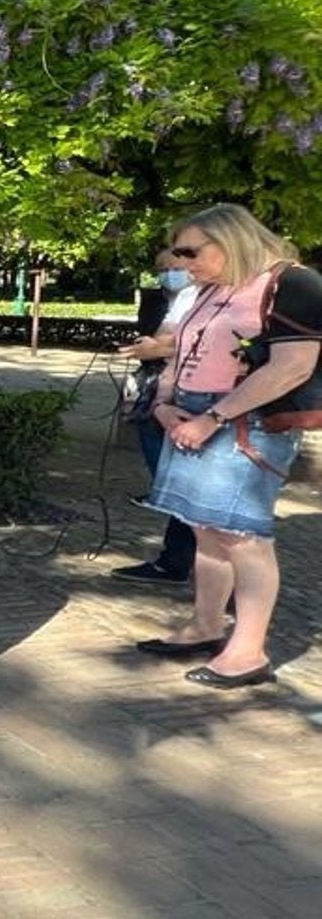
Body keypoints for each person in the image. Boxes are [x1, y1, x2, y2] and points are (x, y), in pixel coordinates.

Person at [136, 205, 321, 689]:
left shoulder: (292, 284)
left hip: (245, 422)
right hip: (193, 414)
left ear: (230, 239)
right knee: (205, 528)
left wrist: (213, 418)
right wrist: (164, 403)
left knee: (243, 535)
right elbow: (180, 352)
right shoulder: (210, 289)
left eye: (189, 252)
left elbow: (292, 367)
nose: (181, 263)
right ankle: (206, 624)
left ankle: (248, 652)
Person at [109, 247, 201, 584]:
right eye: (163, 267)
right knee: (176, 485)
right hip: (164, 396)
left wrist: (161, 348)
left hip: (209, 407)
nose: (169, 272)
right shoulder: (184, 296)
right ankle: (178, 561)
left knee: (194, 492)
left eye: (177, 264)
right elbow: (162, 341)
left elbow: (201, 346)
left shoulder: (236, 294)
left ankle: (189, 565)